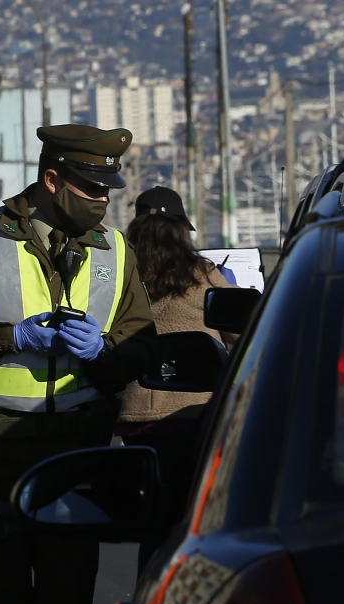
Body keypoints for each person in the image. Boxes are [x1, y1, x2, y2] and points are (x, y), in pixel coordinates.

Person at [0, 124, 156, 604]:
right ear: (52, 180)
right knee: (1, 596)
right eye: (90, 189)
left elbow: (140, 342)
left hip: (78, 450)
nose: (102, 201)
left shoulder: (115, 251)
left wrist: (104, 351)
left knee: (66, 599)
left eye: (107, 191)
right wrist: (12, 338)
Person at [116, 186, 236, 573]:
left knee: (154, 523)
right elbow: (244, 329)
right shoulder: (203, 274)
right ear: (181, 230)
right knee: (200, 520)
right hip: (198, 415)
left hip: (138, 419)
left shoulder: (118, 274)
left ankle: (148, 603)